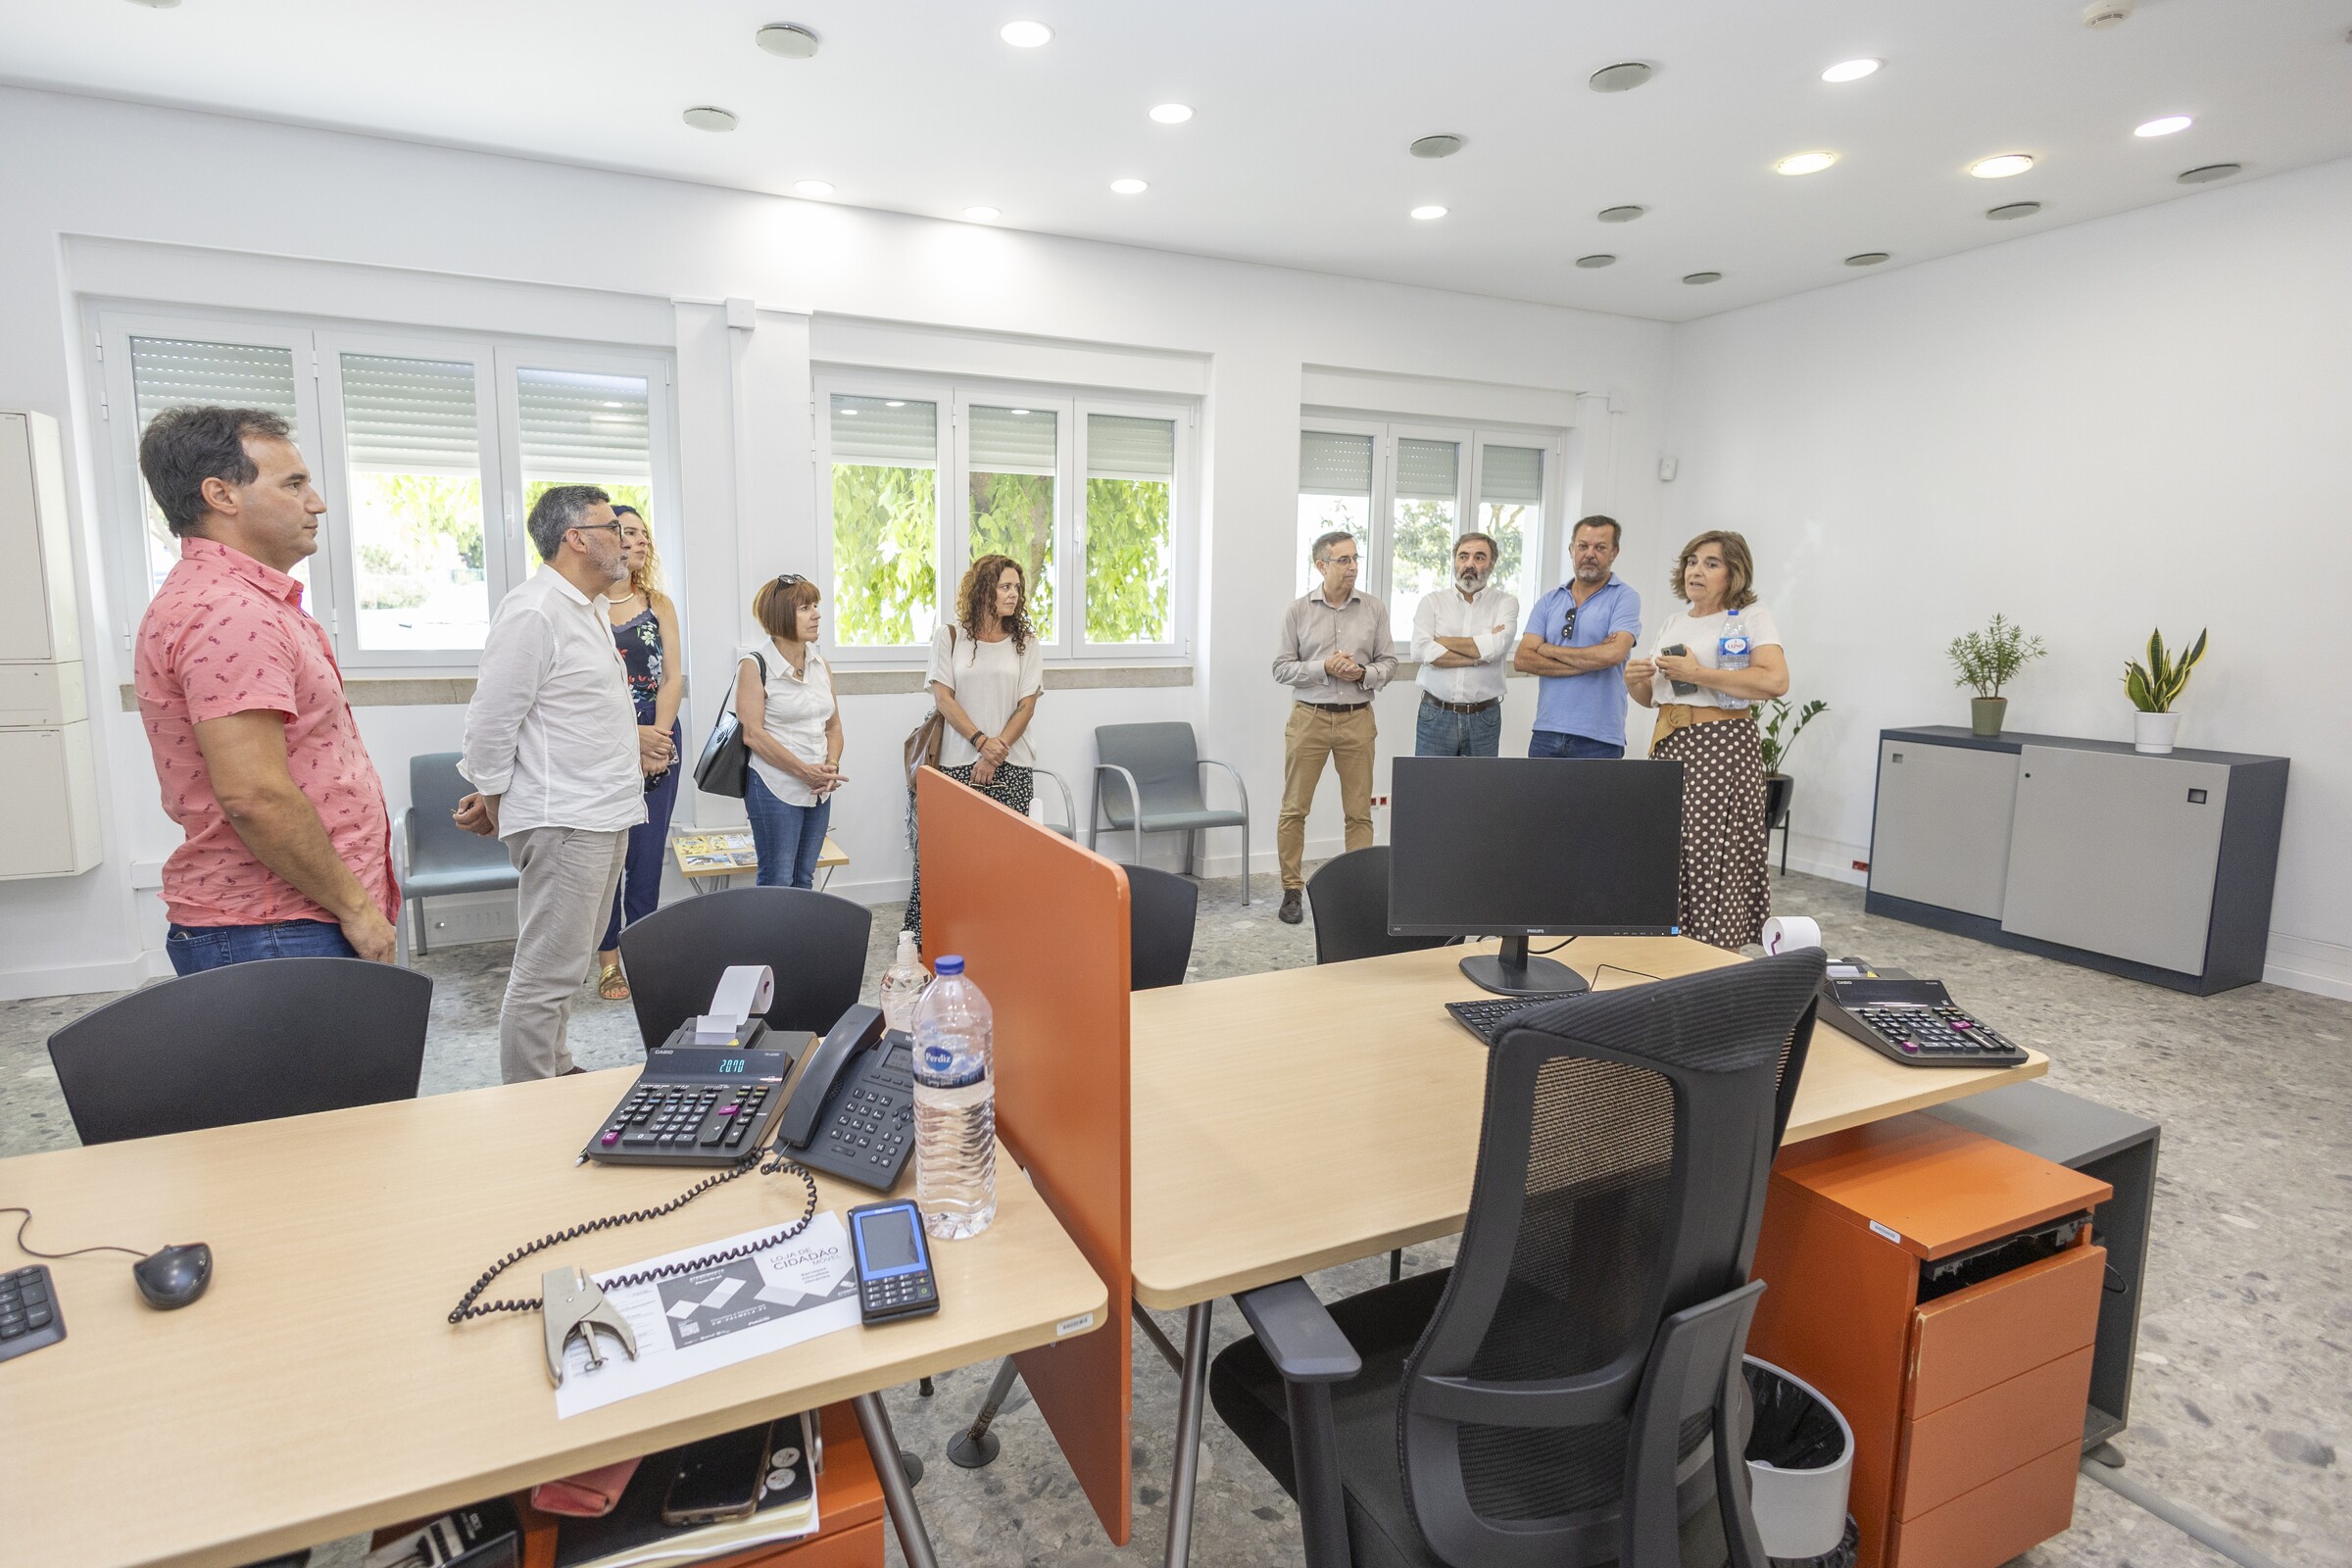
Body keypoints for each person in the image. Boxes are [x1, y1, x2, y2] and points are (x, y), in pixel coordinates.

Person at [131, 407, 400, 973]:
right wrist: (357, 909)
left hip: (292, 918)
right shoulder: (229, 610)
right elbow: (254, 795)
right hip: (279, 926)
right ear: (221, 495)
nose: (316, 503)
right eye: (293, 484)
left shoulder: (239, 599)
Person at [456, 484, 644, 1081]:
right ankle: (529, 1099)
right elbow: (491, 720)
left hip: (603, 810)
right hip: (566, 817)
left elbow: (570, 714)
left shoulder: (586, 609)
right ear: (576, 538)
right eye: (613, 528)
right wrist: (494, 798)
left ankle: (555, 1069)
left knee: (571, 963)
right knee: (545, 974)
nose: (625, 540)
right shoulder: (534, 610)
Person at [1623, 529, 1789, 950]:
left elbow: (1775, 681)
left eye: (1711, 563)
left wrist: (1698, 674)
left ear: (1734, 573)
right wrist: (1634, 680)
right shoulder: (1674, 622)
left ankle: (1714, 950)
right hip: (1671, 743)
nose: (1696, 570)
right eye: (1692, 562)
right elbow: (1653, 697)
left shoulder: (1750, 617)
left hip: (1720, 744)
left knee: (1710, 850)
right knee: (1669, 848)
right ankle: (1670, 942)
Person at [903, 554, 1043, 943]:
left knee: (1005, 863)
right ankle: (936, 943)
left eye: (1017, 588)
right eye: (1005, 586)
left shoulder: (1026, 643)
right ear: (984, 590)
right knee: (947, 862)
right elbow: (943, 699)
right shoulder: (950, 636)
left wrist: (996, 752)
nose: (1013, 594)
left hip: (1013, 766)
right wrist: (981, 742)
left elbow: (1027, 706)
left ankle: (1000, 944)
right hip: (955, 765)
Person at [1272, 531, 1396, 924]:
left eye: (1356, 558)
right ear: (1321, 565)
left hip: (1358, 717)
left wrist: (1362, 673)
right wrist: (1323, 666)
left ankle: (1358, 892)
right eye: (1344, 560)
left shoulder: (1374, 609)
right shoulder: (1297, 611)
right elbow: (1281, 668)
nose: (1353, 567)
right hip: (1308, 717)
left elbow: (1389, 663)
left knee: (1359, 812)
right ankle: (1292, 890)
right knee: (1294, 809)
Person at [593, 506, 683, 1002]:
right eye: (629, 532)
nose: (641, 541)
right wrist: (634, 738)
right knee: (609, 856)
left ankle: (642, 956)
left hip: (661, 736)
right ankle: (609, 963)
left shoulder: (659, 604)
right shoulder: (585, 608)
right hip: (604, 741)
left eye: (644, 534)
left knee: (646, 858)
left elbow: (672, 679)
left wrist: (658, 740)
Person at [738, 573, 845, 889]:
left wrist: (830, 767)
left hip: (818, 789)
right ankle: (772, 928)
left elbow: (833, 725)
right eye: (805, 608)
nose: (817, 615)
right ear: (780, 615)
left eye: (815, 606)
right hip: (774, 786)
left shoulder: (820, 664)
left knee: (804, 878)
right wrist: (804, 772)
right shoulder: (754, 665)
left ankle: (799, 929)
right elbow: (753, 735)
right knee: (778, 879)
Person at [1514, 514, 1642, 759]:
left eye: (1600, 547)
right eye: (1583, 546)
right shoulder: (1549, 600)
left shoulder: (1625, 598)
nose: (1589, 554)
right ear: (1571, 549)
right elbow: (1522, 659)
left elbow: (1614, 654)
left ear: (1614, 552)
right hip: (1546, 731)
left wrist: (1548, 649)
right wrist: (1592, 659)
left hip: (1600, 738)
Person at [1410, 532, 1519, 758]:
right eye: (1463, 556)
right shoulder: (1432, 602)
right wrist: (1480, 656)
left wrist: (1441, 642)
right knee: (1429, 780)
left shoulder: (1506, 603)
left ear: (1492, 564)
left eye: (1479, 557)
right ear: (1455, 561)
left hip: (1484, 718)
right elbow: (1420, 650)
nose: (1469, 564)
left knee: (1481, 781)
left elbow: (1498, 646)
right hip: (1436, 714)